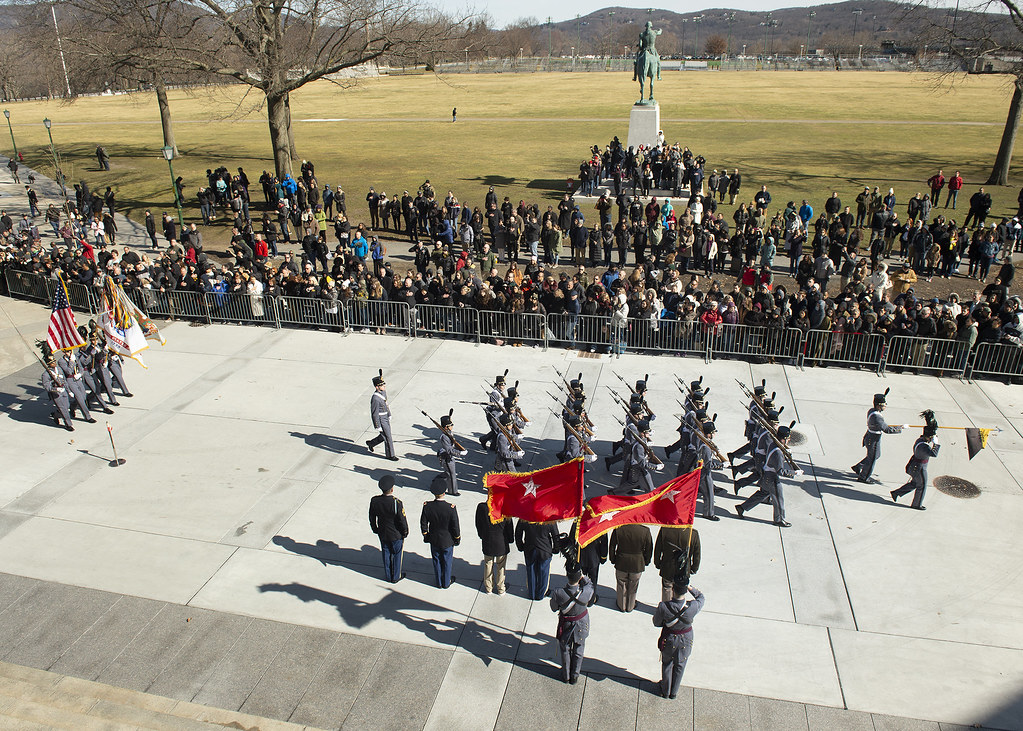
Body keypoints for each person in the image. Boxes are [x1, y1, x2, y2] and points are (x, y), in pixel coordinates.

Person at [735, 425, 803, 527]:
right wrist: (794, 473)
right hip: (772, 477)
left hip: (767, 475)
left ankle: (742, 507)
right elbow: (780, 471)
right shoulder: (778, 453)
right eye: (787, 439)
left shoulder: (773, 444)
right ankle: (779, 519)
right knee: (779, 499)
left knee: (762, 494)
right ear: (783, 439)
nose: (788, 440)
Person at [652, 582, 705, 700]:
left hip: (669, 637)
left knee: (667, 664)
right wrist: (690, 587)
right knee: (681, 664)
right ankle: (674, 692)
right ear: (685, 591)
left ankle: (665, 690)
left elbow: (656, 623)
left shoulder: (663, 606)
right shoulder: (693, 607)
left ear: (673, 591)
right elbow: (701, 597)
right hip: (686, 638)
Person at [549, 567, 596, 685]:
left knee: (565, 649)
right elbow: (590, 583)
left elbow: (553, 608)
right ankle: (575, 676)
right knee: (579, 649)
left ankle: (566, 676)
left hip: (566, 624)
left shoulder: (558, 592)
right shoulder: (586, 591)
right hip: (582, 623)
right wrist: (582, 577)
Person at [852, 388, 905, 484]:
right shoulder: (877, 417)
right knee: (872, 459)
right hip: (873, 439)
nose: (885, 406)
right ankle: (864, 477)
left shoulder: (872, 411)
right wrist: (900, 428)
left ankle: (859, 466)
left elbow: (883, 425)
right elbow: (887, 429)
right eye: (884, 405)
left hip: (870, 436)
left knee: (876, 455)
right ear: (879, 406)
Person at [891, 411, 940, 510]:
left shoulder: (920, 441)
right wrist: (936, 444)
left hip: (915, 466)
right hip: (920, 468)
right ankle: (916, 504)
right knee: (921, 486)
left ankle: (897, 493)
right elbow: (934, 454)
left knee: (915, 483)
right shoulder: (924, 446)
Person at [421, 474, 460, 588]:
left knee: (436, 561)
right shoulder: (450, 508)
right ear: (444, 492)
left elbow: (423, 523)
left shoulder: (427, 506)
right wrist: (457, 538)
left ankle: (439, 582)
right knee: (447, 562)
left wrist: (426, 535)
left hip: (434, 538)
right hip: (447, 540)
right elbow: (455, 526)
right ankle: (446, 582)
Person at [369, 474, 408, 583]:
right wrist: (405, 532)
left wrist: (375, 528)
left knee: (386, 553)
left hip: (383, 532)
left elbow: (372, 517)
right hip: (396, 534)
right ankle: (396, 576)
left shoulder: (375, 501)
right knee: (397, 555)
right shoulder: (396, 503)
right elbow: (402, 520)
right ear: (392, 489)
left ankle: (388, 575)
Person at [610, 522, 652, 613]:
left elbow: (612, 546)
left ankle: (621, 605)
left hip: (621, 561)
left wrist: (612, 559)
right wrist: (646, 561)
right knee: (633, 586)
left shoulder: (618, 528)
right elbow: (649, 548)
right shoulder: (645, 530)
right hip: (637, 563)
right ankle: (630, 606)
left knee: (621, 584)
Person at [653, 525, 700, 603]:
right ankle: (677, 608)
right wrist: (694, 568)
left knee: (667, 588)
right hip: (684, 568)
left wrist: (657, 563)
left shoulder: (665, 530)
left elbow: (658, 548)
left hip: (667, 567)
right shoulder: (693, 533)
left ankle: (667, 610)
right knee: (680, 590)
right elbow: (697, 554)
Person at [516, 519, 560, 600]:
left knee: (531, 572)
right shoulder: (549, 517)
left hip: (529, 549)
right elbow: (555, 535)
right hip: (545, 550)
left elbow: (518, 532)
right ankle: (540, 594)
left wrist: (520, 546)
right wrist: (556, 548)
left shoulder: (525, 516)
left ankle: (531, 593)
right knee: (544, 573)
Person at [476, 501, 514, 594]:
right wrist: (510, 539)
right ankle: (501, 588)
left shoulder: (482, 507)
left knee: (488, 564)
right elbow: (509, 526)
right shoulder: (505, 508)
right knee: (501, 566)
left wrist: (482, 535)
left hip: (488, 541)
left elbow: (478, 524)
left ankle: (488, 587)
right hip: (501, 542)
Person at [366, 369, 398, 461]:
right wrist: (377, 425)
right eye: (382, 385)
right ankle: (390, 455)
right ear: (377, 387)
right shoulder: (375, 398)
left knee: (385, 435)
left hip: (385, 416)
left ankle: (371, 443)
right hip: (380, 419)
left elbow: (386, 403)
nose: (384, 386)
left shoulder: (382, 393)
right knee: (388, 436)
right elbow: (374, 413)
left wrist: (389, 414)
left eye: (384, 384)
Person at [41, 350, 74, 431]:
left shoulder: (58, 369)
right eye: (52, 362)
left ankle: (56, 415)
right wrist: (56, 389)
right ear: (49, 364)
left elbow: (64, 380)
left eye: (54, 361)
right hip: (56, 393)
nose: (55, 363)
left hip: (64, 390)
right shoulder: (45, 375)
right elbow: (47, 387)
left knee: (67, 407)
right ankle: (68, 424)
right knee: (63, 409)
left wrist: (69, 391)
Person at [436, 410, 467, 495]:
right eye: (450, 425)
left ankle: (439, 479)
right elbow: (449, 450)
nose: (452, 426)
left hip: (449, 456)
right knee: (451, 474)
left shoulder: (448, 433)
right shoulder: (444, 437)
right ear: (446, 427)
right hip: (447, 457)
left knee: (449, 473)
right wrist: (459, 453)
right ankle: (453, 491)